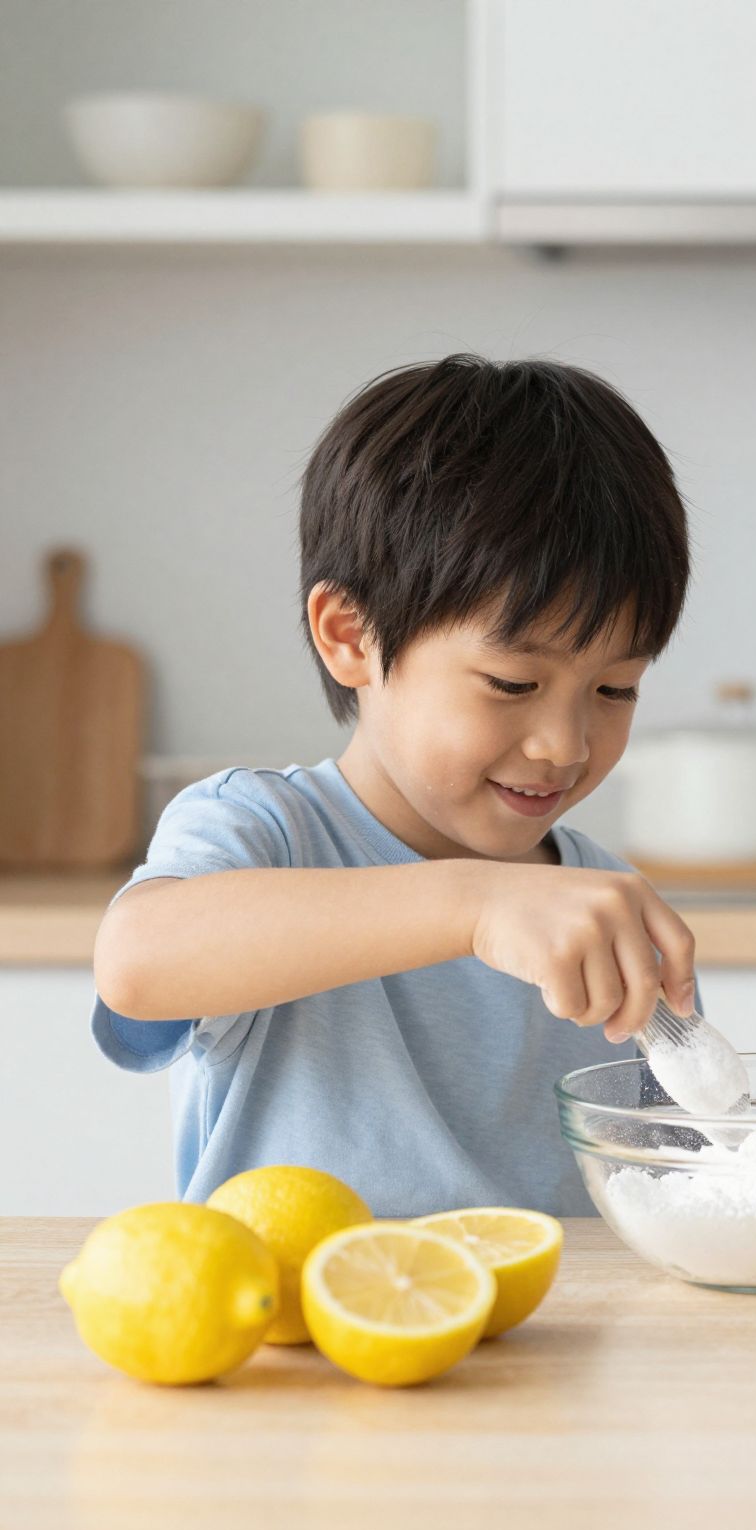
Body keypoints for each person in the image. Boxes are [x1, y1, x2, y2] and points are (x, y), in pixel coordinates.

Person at [91, 356, 699, 1216]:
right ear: (350, 636)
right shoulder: (267, 832)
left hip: (551, 1344)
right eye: (513, 684)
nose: (565, 744)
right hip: (307, 1336)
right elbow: (137, 964)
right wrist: (476, 907)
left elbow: (675, 1200)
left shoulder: (599, 910)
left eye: (616, 689)